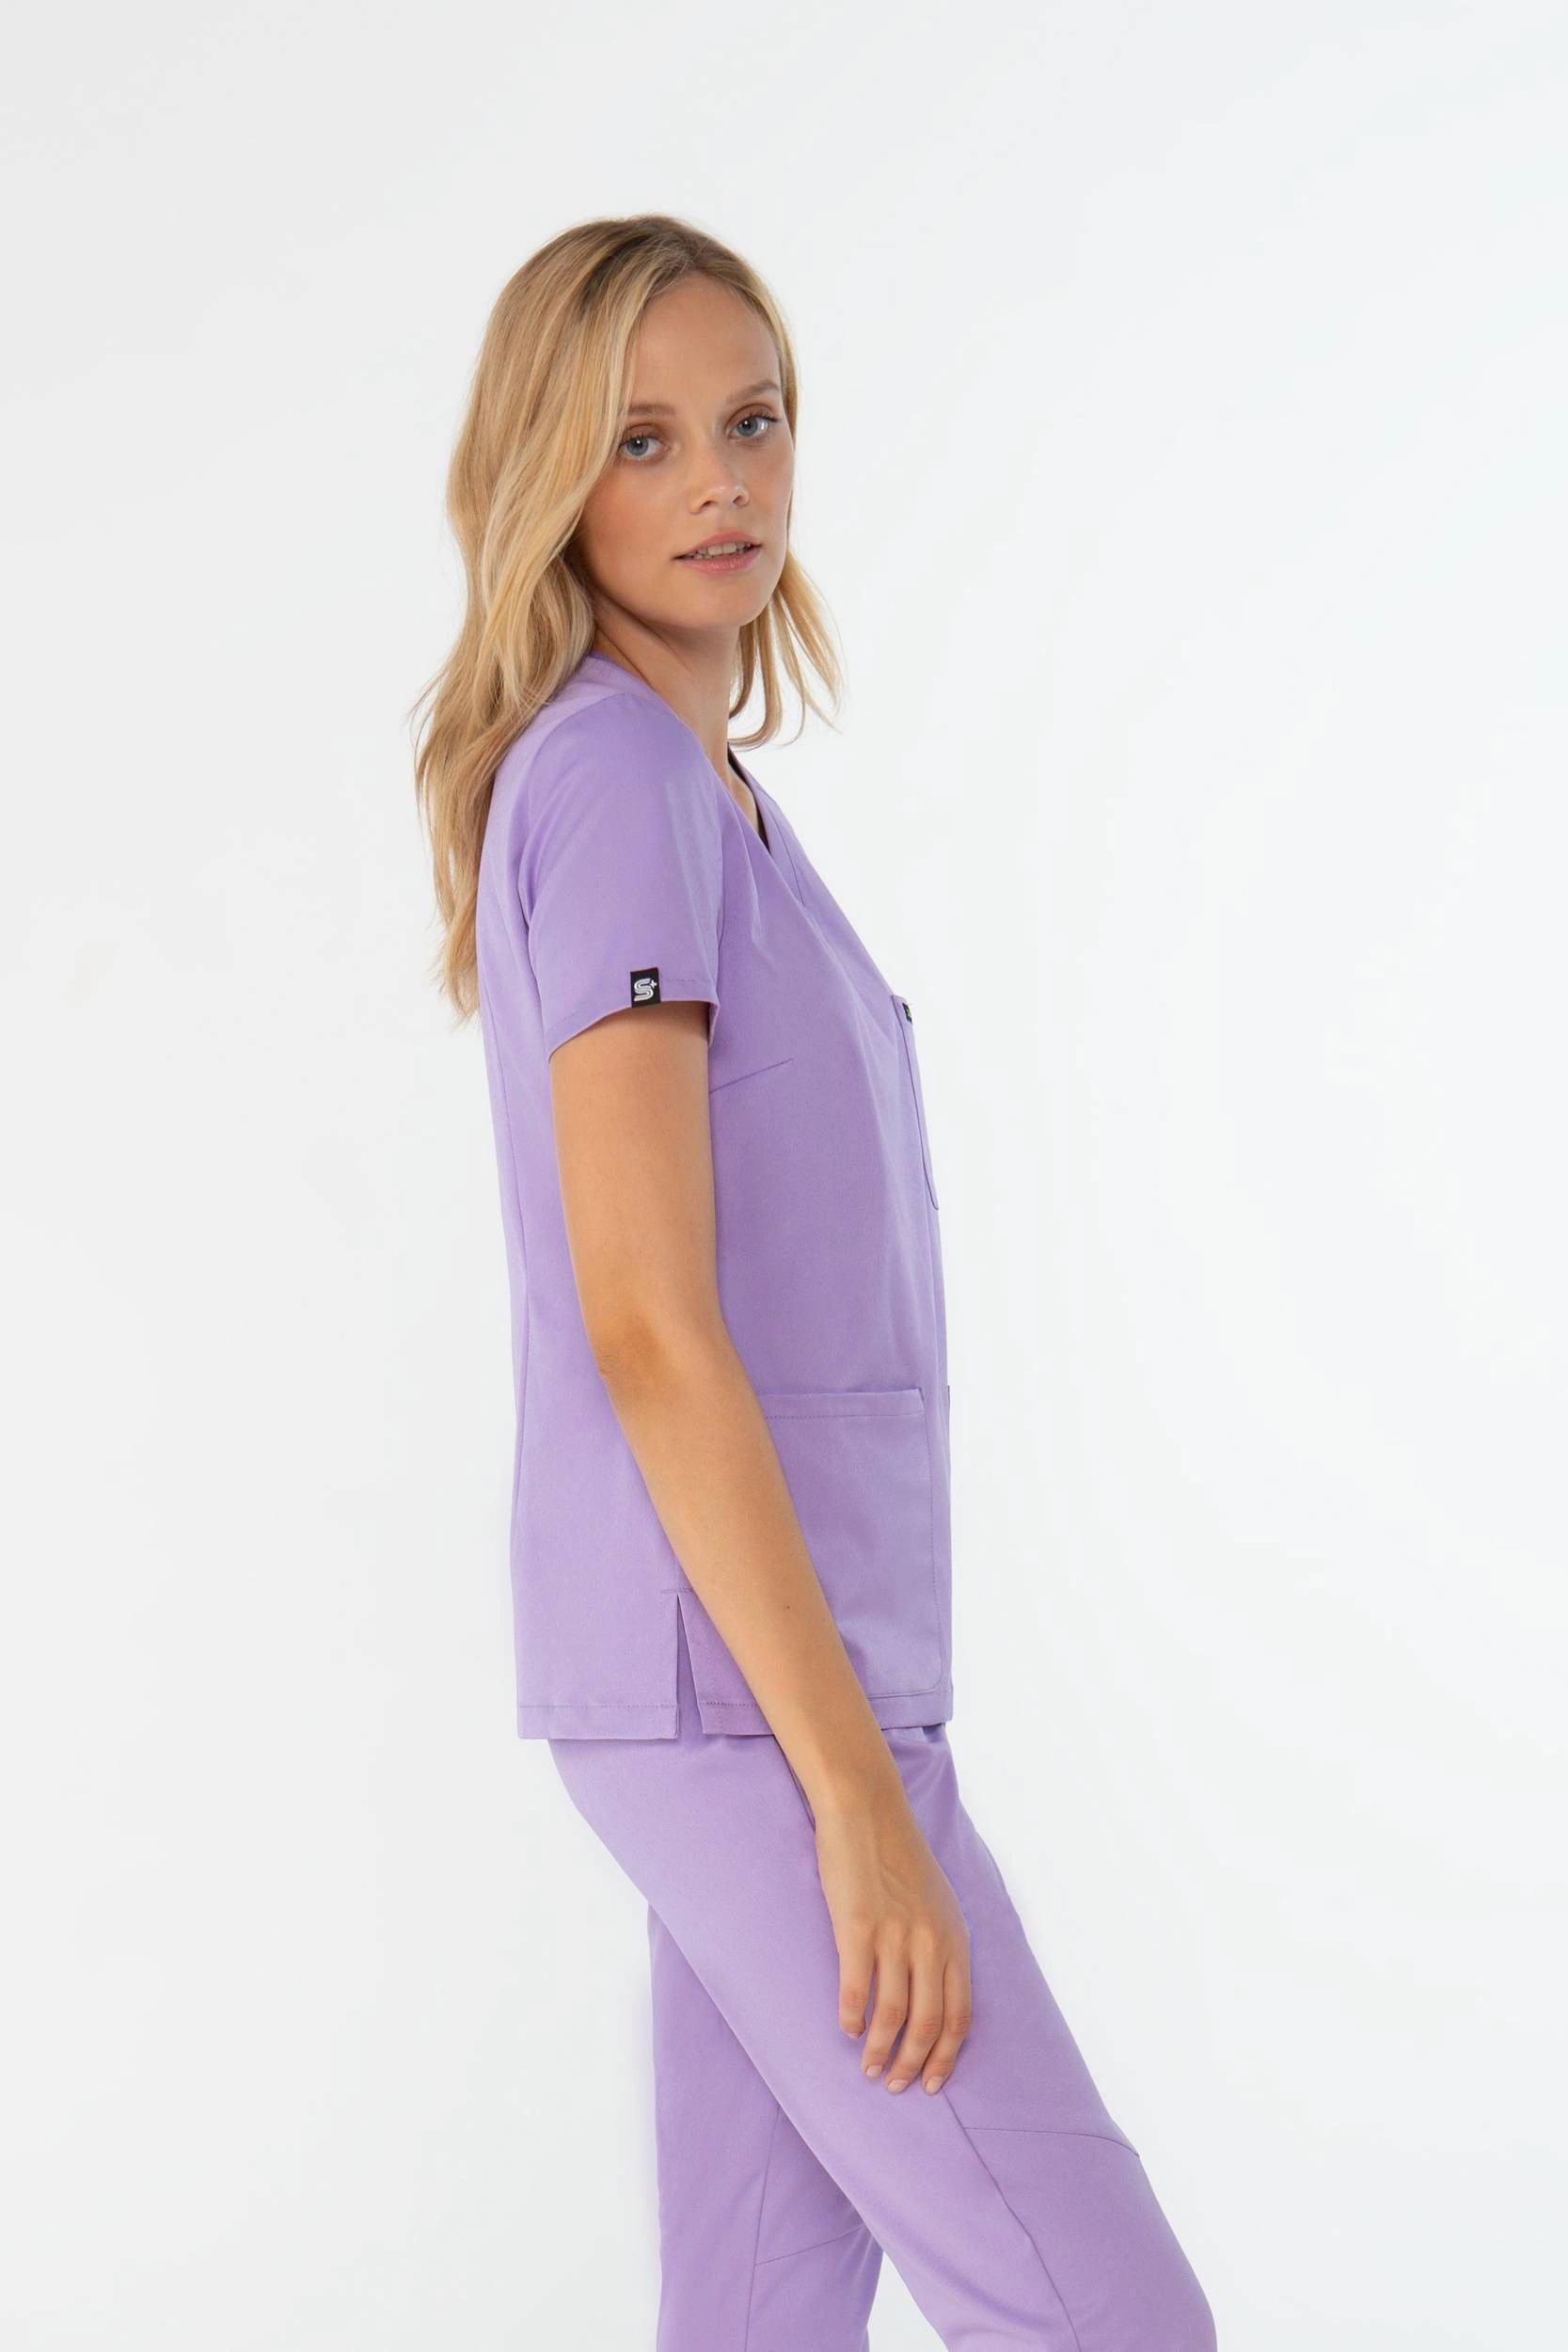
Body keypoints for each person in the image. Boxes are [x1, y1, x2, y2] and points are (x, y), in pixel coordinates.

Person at [413, 213, 1216, 2352]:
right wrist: (850, 1791)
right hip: (754, 1701)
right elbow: (644, 1314)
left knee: (755, 2319)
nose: (721, 483)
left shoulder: (692, 785)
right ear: (547, 477)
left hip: (764, 1678)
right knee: (1114, 2319)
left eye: (751, 422)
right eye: (644, 439)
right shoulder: (611, 777)